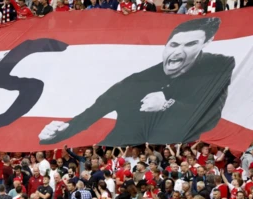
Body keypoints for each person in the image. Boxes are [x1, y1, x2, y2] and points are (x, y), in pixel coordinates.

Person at [39, 17, 235, 146]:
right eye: (174, 44)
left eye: (191, 44)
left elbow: (210, 117)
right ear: (166, 45)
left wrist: (167, 105)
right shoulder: (136, 81)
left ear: (206, 44)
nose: (178, 52)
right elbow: (92, 113)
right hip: (123, 150)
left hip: (174, 154)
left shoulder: (218, 66)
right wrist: (61, 131)